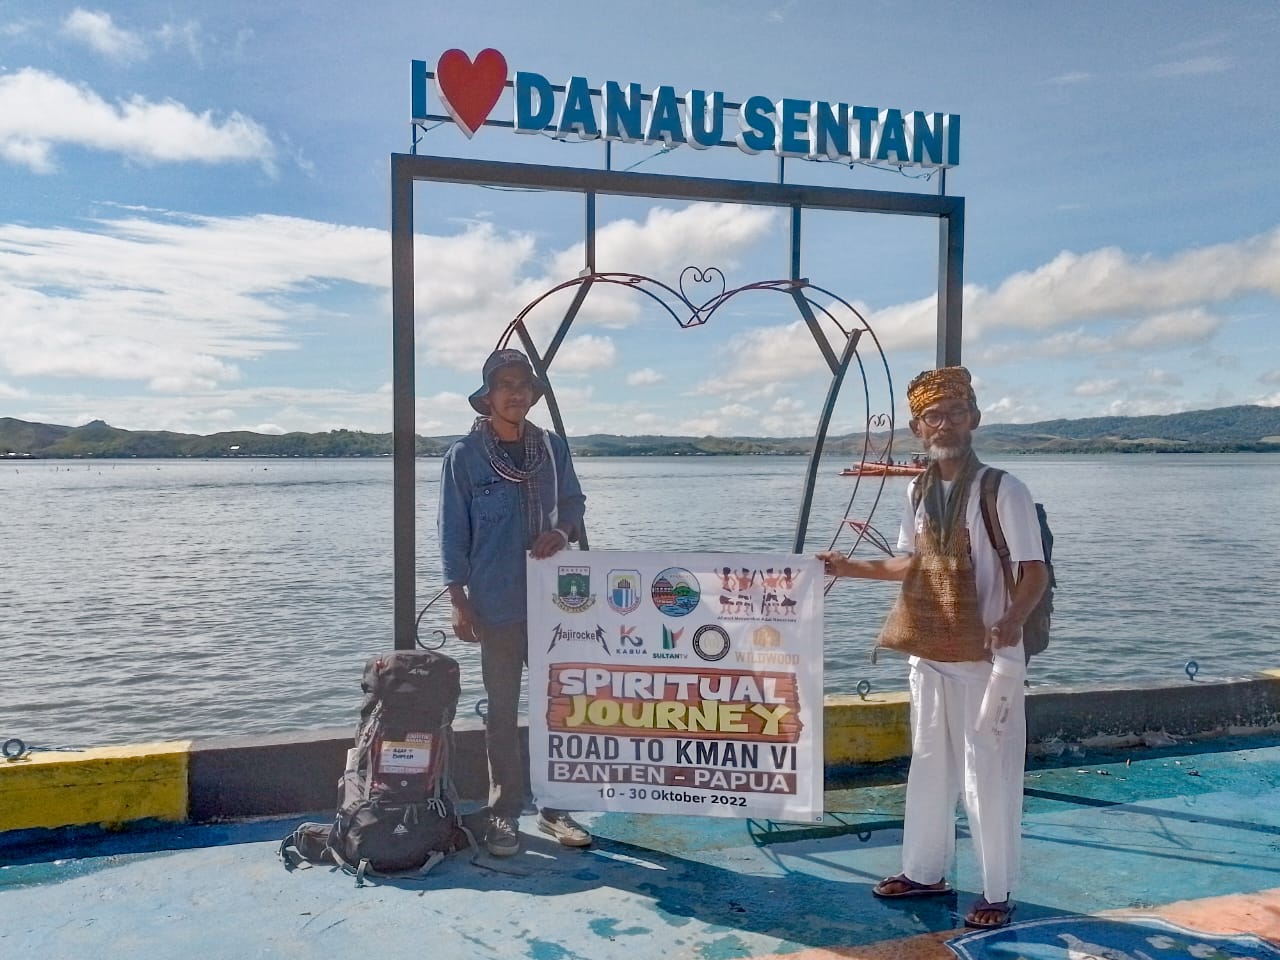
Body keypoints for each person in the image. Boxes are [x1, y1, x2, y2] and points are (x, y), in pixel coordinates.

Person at [817, 366, 1048, 930]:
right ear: (918, 428)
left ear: (973, 419)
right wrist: (847, 568)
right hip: (930, 655)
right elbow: (910, 565)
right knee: (928, 767)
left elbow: (1033, 570)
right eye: (931, 416)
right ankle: (925, 872)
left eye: (954, 412)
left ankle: (998, 889)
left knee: (986, 774)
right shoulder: (918, 489)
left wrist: (1012, 620)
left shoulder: (1003, 488)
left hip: (987, 663)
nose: (943, 424)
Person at [438, 348, 592, 857]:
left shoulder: (552, 448)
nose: (515, 392)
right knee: (501, 710)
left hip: (555, 605)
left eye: (523, 384)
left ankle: (555, 807)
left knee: (558, 708)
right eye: (504, 384)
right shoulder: (463, 456)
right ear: (488, 396)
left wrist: (562, 532)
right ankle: (504, 812)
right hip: (495, 601)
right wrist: (458, 600)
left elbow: (573, 502)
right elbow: (451, 532)